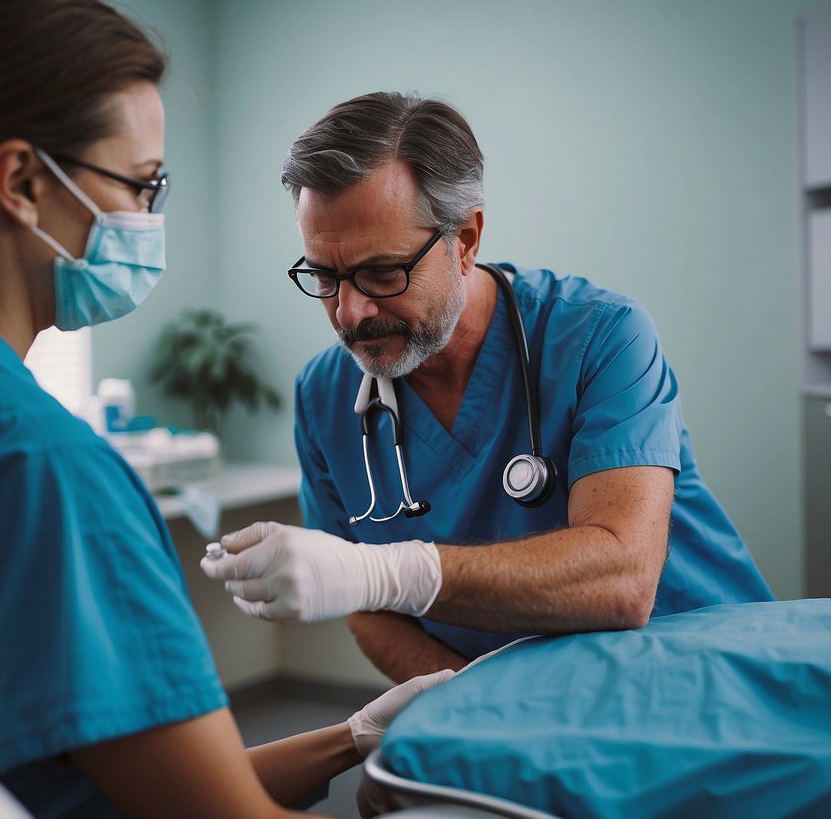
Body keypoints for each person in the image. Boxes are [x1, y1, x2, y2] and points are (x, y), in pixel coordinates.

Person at [0, 0, 451, 817]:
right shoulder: (33, 464)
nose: (149, 218)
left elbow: (125, 791)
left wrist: (354, 738)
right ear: (18, 181)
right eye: (141, 184)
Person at [201, 92, 775, 683]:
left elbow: (622, 579)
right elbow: (369, 614)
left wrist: (392, 572)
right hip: (512, 710)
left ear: (467, 240)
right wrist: (480, 709)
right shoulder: (324, 395)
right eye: (324, 275)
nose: (350, 313)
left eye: (382, 272)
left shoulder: (601, 337)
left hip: (699, 682)